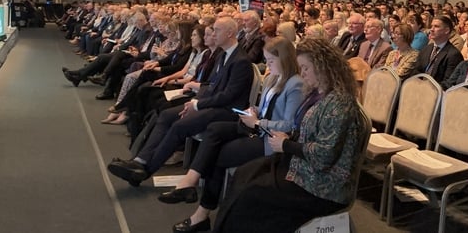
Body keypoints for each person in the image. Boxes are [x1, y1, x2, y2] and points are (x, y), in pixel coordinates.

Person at [206, 39, 364, 233]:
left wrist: (287, 144)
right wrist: (288, 139)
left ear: (323, 67)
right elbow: (306, 131)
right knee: (243, 174)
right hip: (302, 166)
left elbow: (324, 155)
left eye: (306, 68)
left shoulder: (340, 103)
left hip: (323, 186)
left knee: (251, 195)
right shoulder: (318, 93)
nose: (303, 73)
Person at [161, 37, 302, 228]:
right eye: (267, 60)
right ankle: (191, 182)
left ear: (284, 59)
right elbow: (264, 107)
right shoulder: (271, 78)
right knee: (215, 129)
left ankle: (201, 213)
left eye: (271, 61)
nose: (267, 65)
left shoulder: (295, 84)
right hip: (255, 128)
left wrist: (259, 121)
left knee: (218, 155)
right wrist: (255, 112)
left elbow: (289, 125)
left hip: (270, 139)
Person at [106, 16, 252, 186]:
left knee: (179, 125)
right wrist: (194, 101)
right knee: (167, 115)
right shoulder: (223, 55)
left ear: (230, 33)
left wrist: (197, 104)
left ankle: (145, 171)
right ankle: (140, 160)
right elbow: (210, 85)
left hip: (227, 111)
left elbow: (229, 96)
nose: (213, 35)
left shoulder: (241, 60)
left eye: (217, 31)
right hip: (211, 103)